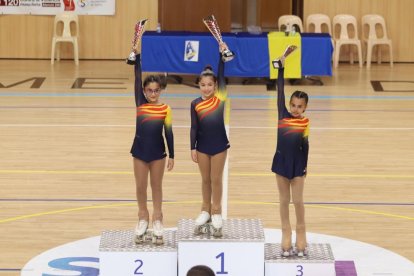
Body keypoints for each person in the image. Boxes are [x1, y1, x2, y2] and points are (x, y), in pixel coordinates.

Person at [131, 53, 174, 245]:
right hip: (140, 152)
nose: (153, 94)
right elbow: (137, 76)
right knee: (141, 186)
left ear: (160, 91)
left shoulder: (166, 109)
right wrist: (137, 59)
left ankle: (158, 219)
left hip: (158, 153)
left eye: (156, 90)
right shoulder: (140, 103)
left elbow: (169, 133)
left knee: (156, 186)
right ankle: (142, 217)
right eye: (149, 90)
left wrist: (172, 155)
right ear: (144, 91)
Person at [272, 45, 309, 257]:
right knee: (284, 200)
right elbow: (280, 89)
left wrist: (305, 167)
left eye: (299, 106)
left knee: (298, 201)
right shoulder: (282, 115)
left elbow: (306, 147)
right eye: (293, 105)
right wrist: (281, 69)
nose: (295, 109)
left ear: (304, 108)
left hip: (297, 166)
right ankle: (286, 234)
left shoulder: (305, 123)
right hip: (281, 164)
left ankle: (301, 234)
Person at [190, 43, 230, 237]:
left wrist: (222, 56)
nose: (206, 88)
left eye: (210, 85)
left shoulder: (220, 98)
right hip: (202, 147)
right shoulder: (195, 104)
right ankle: (205, 210)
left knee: (216, 179)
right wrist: (192, 147)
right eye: (203, 85)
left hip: (220, 146)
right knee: (205, 180)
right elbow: (194, 127)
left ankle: (216, 211)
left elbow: (222, 75)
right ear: (199, 85)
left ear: (215, 86)